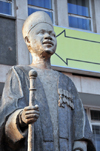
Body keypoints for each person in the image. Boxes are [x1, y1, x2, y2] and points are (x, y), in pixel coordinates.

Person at [0, 11, 96, 151]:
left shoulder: (66, 82)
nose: (48, 37)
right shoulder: (19, 74)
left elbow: (81, 126)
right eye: (41, 32)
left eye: (52, 34)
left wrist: (79, 146)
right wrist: (20, 119)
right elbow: (6, 118)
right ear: (28, 40)